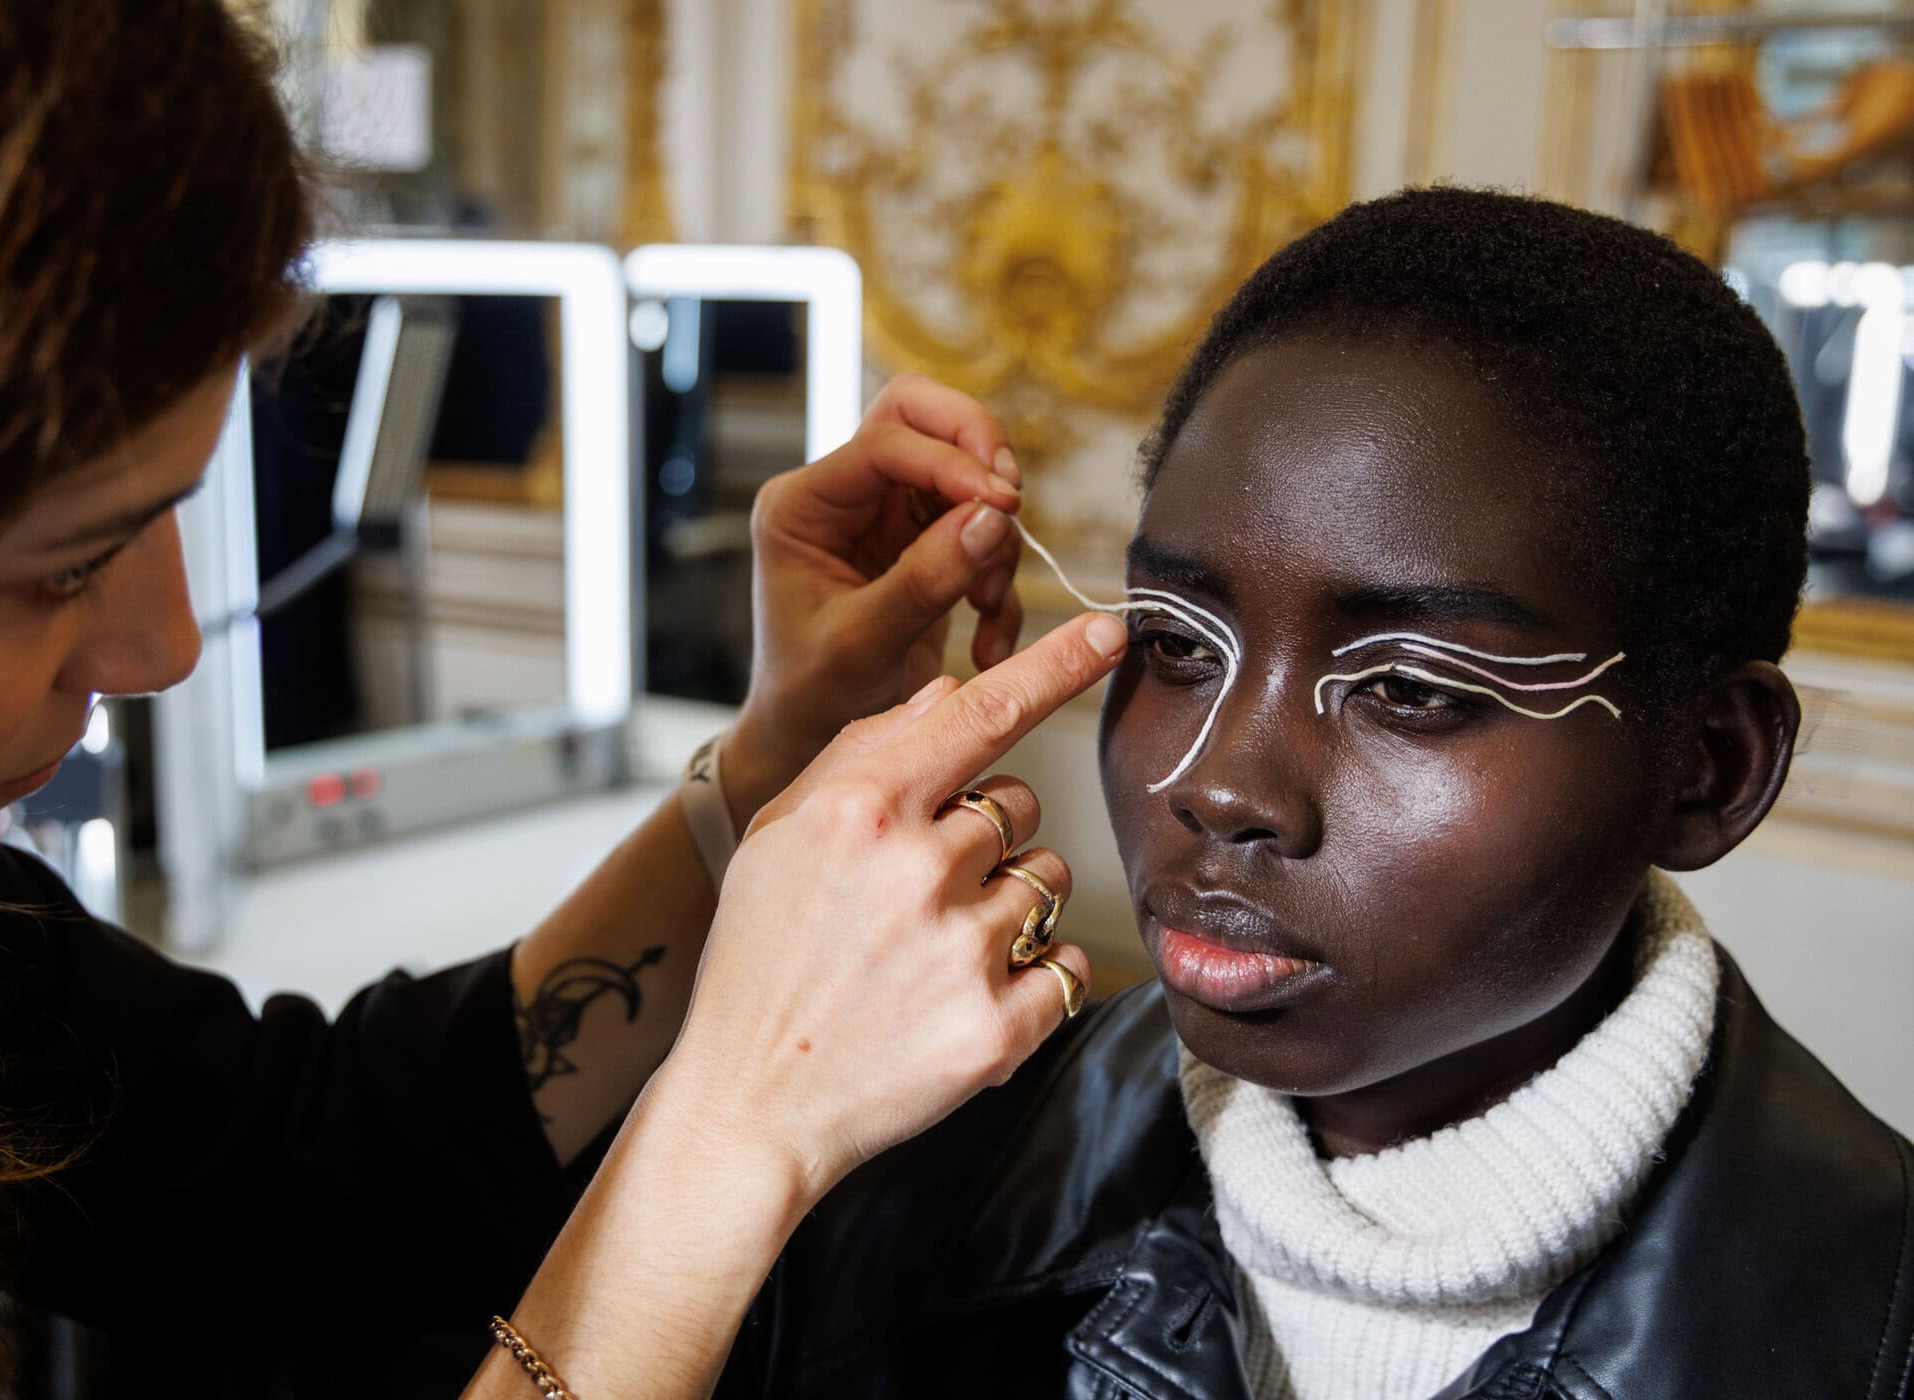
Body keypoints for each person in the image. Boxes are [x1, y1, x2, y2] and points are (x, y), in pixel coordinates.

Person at [0, 4, 1114, 1398]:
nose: (167, 646)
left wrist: (765, 772)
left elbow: (302, 1175)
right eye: (65, 563)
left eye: (171, 514)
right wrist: (733, 1137)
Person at [713, 188, 1914, 1399]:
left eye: (1406, 684)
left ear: (1711, 767)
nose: (1221, 785)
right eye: (1180, 642)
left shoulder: (1873, 1332)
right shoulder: (902, 1170)